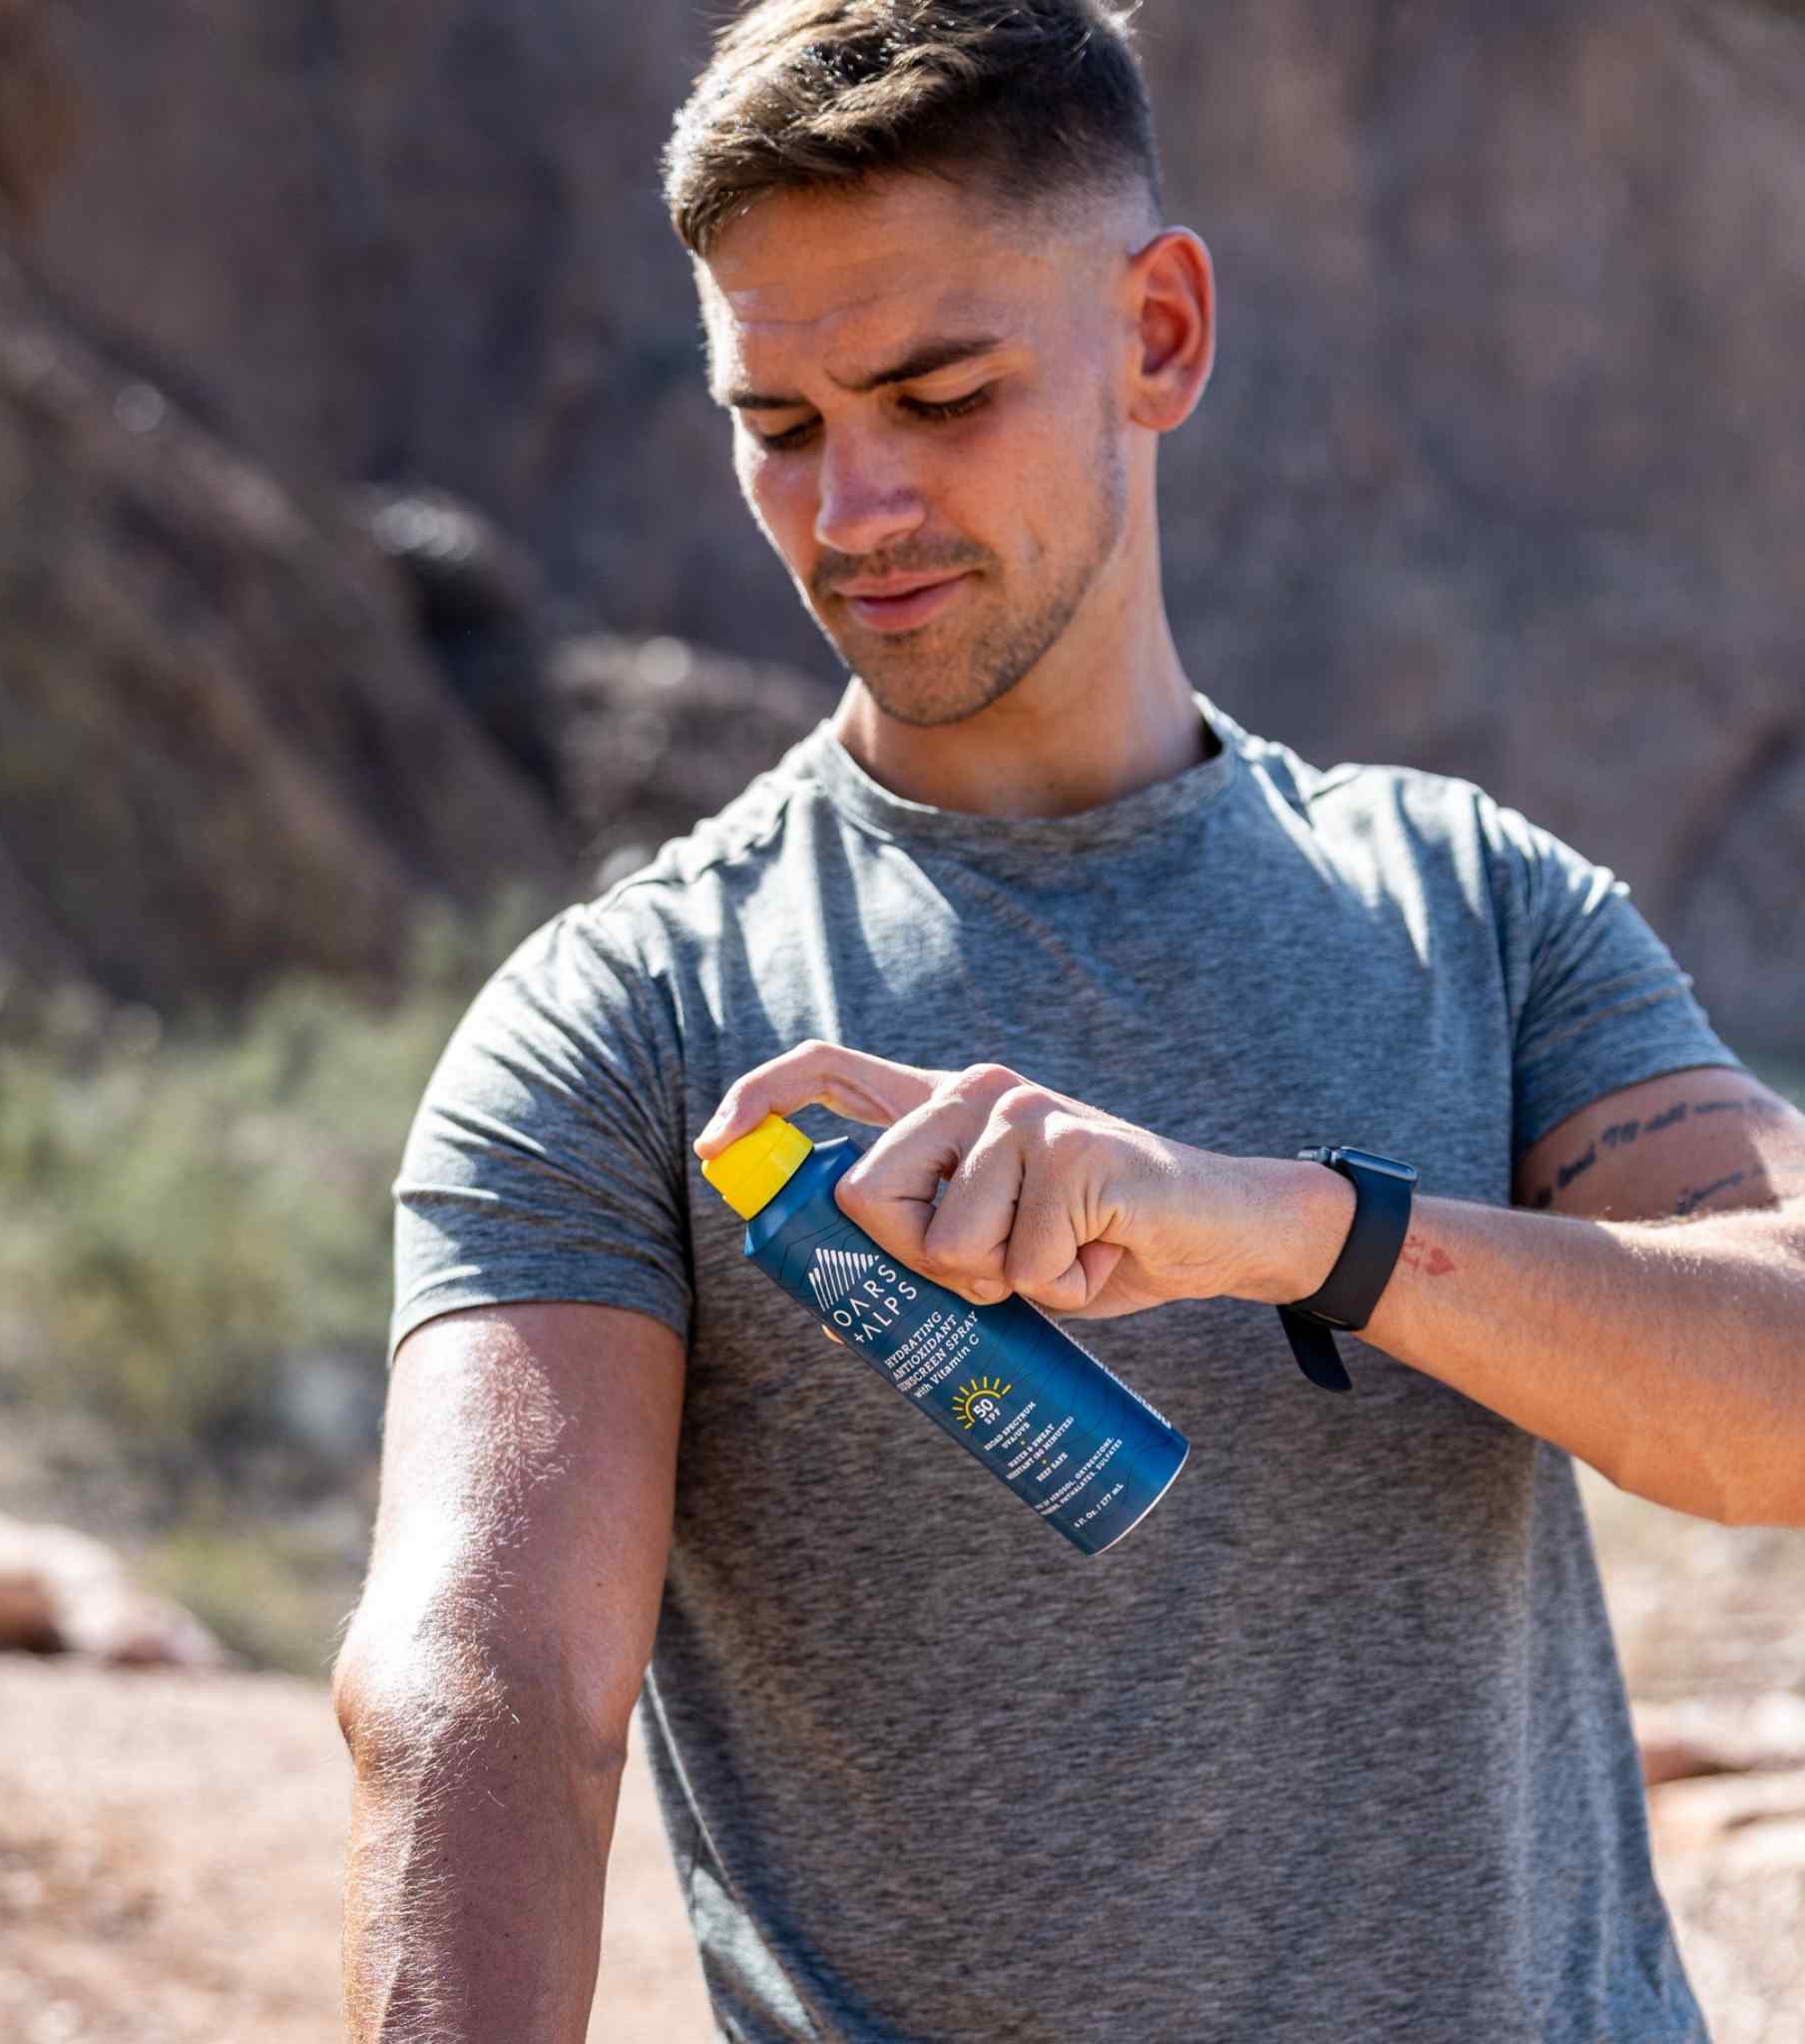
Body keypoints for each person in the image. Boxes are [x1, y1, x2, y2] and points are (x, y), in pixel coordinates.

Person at [332, 3, 1805, 2038]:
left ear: (1159, 336)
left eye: (937, 393)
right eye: (778, 424)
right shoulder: (626, 1023)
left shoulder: (1473, 908)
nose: (851, 509)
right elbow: (488, 1687)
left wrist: (1291, 1226)